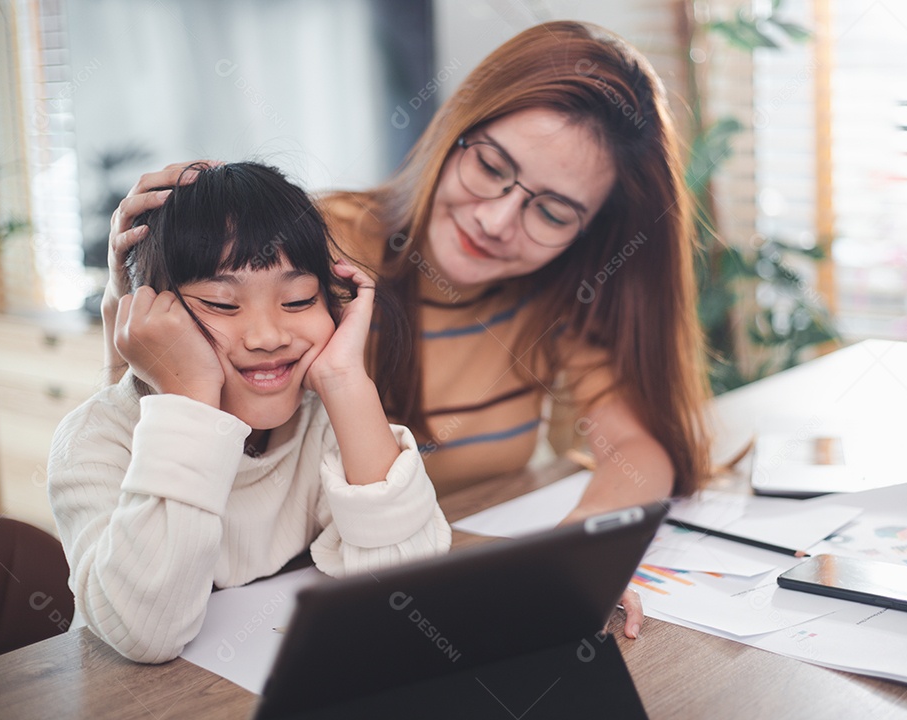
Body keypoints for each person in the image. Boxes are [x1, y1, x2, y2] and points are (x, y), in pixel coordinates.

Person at [101, 21, 713, 638]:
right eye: (492, 165)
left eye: (553, 211)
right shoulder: (316, 253)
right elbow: (155, 418)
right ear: (453, 130)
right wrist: (130, 291)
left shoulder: (561, 290)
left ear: (590, 234)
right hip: (259, 603)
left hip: (410, 578)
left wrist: (575, 559)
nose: (499, 220)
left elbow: (635, 448)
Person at [50, 162, 451, 664]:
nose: (268, 337)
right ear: (146, 320)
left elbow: (408, 586)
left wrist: (346, 380)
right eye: (222, 303)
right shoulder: (96, 442)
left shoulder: (321, 421)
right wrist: (191, 394)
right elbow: (145, 633)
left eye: (300, 298)